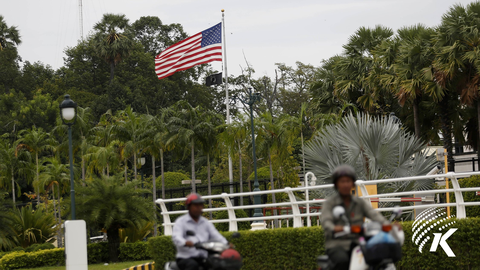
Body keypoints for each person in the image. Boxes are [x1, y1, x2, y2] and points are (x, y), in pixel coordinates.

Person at [320, 165, 387, 270]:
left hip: (358, 242)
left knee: (378, 257)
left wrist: (388, 225)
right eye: (342, 181)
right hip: (337, 244)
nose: (346, 184)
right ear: (336, 184)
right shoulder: (330, 203)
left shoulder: (359, 202)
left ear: (352, 183)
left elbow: (374, 215)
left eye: (348, 181)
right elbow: (326, 222)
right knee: (342, 260)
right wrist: (336, 228)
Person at [172, 193, 229, 270]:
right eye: (195, 205)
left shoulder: (205, 222)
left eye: (200, 205)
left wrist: (227, 244)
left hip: (203, 257)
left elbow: (216, 235)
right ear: (188, 207)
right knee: (193, 265)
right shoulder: (181, 222)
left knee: (219, 264)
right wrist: (185, 242)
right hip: (186, 257)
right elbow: (176, 237)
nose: (198, 207)